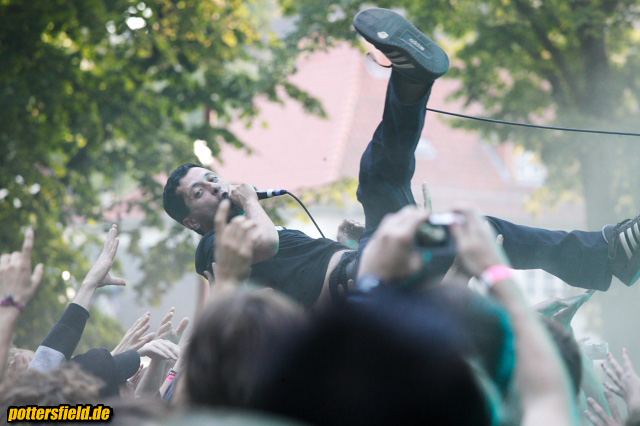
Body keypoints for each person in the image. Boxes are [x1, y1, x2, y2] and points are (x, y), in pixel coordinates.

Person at [162, 8, 640, 306]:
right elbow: (265, 246)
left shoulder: (248, 226)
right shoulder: (211, 249)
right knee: (382, 184)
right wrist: (249, 199)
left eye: (211, 176)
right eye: (199, 192)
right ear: (191, 221)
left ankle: (606, 255)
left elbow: (294, 267)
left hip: (368, 260)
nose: (214, 186)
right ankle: (409, 81)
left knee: (462, 222)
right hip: (364, 289)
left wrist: (348, 241)